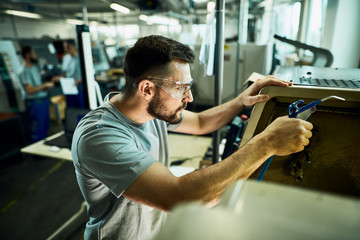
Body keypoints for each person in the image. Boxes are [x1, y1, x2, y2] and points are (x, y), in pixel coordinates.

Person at [72, 35, 313, 240]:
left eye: (189, 86)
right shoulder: (100, 135)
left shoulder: (150, 111)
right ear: (147, 89)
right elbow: (179, 198)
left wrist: (241, 100)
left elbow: (200, 122)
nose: (189, 98)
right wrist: (266, 143)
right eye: (180, 88)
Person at [20, 46, 60, 143]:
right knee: (38, 128)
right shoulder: (24, 71)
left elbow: (37, 86)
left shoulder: (34, 68)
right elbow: (29, 90)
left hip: (43, 100)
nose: (36, 56)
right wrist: (44, 85)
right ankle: (37, 152)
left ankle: (43, 149)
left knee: (45, 126)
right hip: (35, 103)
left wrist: (46, 87)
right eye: (34, 53)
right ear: (27, 55)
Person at [62, 39, 85, 108]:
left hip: (79, 86)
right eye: (65, 47)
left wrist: (79, 80)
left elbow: (89, 75)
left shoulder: (81, 58)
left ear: (74, 46)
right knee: (70, 108)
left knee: (80, 108)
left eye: (68, 47)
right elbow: (64, 73)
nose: (66, 49)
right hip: (69, 86)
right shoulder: (65, 58)